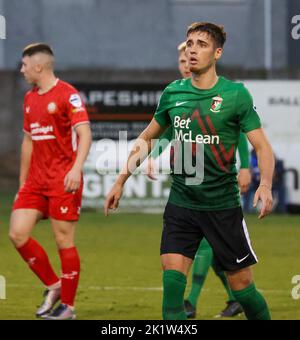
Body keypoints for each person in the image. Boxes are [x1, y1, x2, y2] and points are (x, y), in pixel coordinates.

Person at [105, 22, 274, 320]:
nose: (193, 49)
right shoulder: (173, 93)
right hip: (181, 204)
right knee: (172, 285)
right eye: (190, 43)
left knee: (243, 288)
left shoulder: (235, 95)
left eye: (202, 44)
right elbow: (147, 139)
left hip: (222, 206)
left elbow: (262, 146)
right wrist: (120, 180)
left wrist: (266, 184)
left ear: (217, 52)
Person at [147, 42, 251, 318]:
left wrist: (245, 166)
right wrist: (155, 156)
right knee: (208, 250)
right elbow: (167, 132)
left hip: (217, 187)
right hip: (187, 185)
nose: (185, 63)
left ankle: (193, 301)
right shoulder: (177, 95)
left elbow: (239, 132)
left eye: (188, 58)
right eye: (182, 60)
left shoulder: (224, 95)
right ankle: (230, 298)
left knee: (209, 247)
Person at [9, 43, 92, 320]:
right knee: (17, 233)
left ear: (39, 66)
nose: (21, 70)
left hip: (62, 179)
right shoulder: (30, 99)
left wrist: (76, 169)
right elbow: (28, 141)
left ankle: (67, 307)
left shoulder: (68, 95)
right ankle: (53, 285)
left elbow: (85, 134)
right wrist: (23, 182)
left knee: (63, 241)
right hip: (35, 182)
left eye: (24, 65)